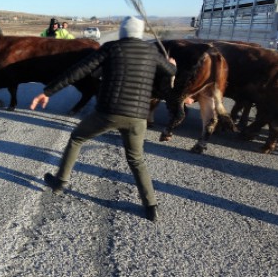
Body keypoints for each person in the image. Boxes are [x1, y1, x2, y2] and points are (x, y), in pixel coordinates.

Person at [30, 16, 177, 222]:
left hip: (108, 113)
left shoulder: (111, 48)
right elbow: (170, 71)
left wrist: (48, 91)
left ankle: (60, 182)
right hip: (137, 117)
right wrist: (172, 65)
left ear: (123, 32)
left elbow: (78, 71)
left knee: (77, 139)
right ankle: (151, 206)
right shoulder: (152, 51)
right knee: (136, 159)